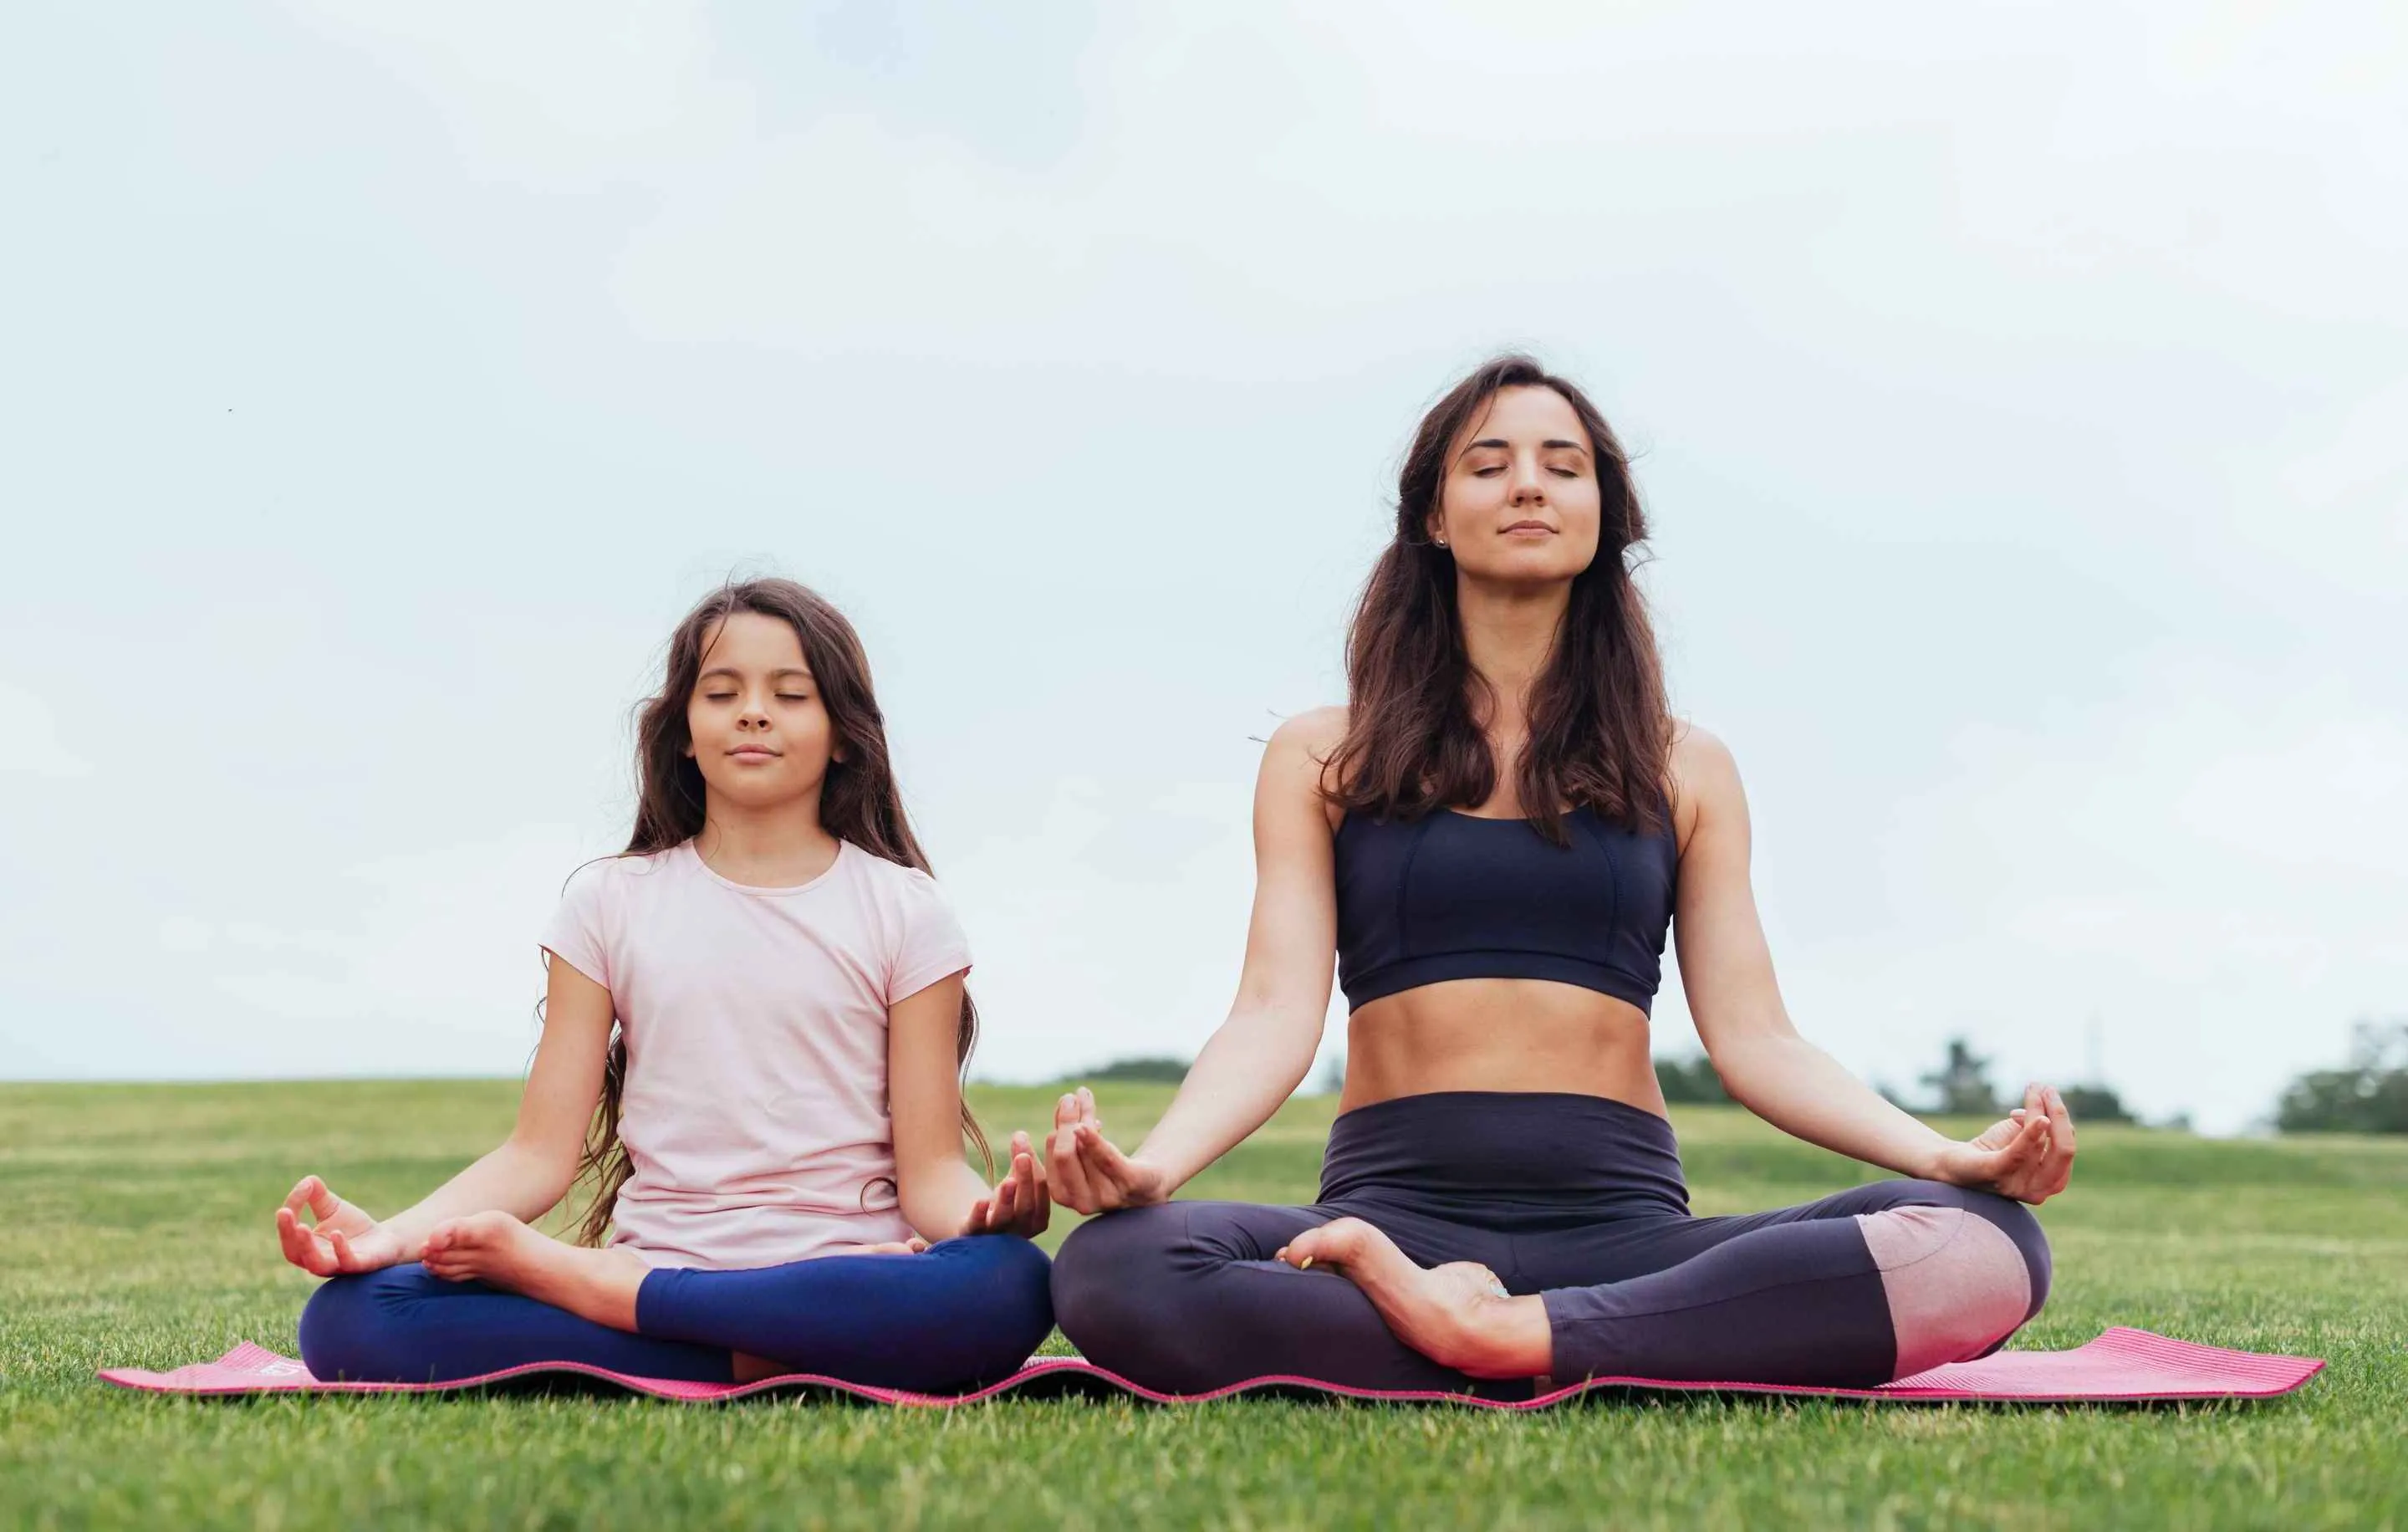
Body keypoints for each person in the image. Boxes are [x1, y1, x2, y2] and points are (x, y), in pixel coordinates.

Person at [1045, 355, 2074, 1397]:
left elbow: (1757, 1038)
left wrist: (1941, 1158)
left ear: (1602, 513)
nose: (1529, 484)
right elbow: (1272, 1010)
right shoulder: (1325, 753)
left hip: (1625, 1232)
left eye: (1562, 465)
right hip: (1385, 1220)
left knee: (1983, 1242)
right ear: (1435, 517)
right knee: (1115, 1267)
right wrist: (1158, 1168)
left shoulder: (1685, 764)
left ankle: (1506, 1336)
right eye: (1489, 464)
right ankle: (1567, 1333)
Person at [278, 579, 1054, 1391]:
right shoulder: (610, 902)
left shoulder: (906, 909)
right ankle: (774, 1340)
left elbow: (929, 1172)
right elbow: (538, 1154)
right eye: (722, 692)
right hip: (704, 1266)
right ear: (683, 729)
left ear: (843, 735)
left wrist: (985, 1220)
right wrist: (387, 1242)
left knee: (1012, 1280)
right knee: (351, 1316)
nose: (753, 712)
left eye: (790, 694)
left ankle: (621, 1298)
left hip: (848, 1266)